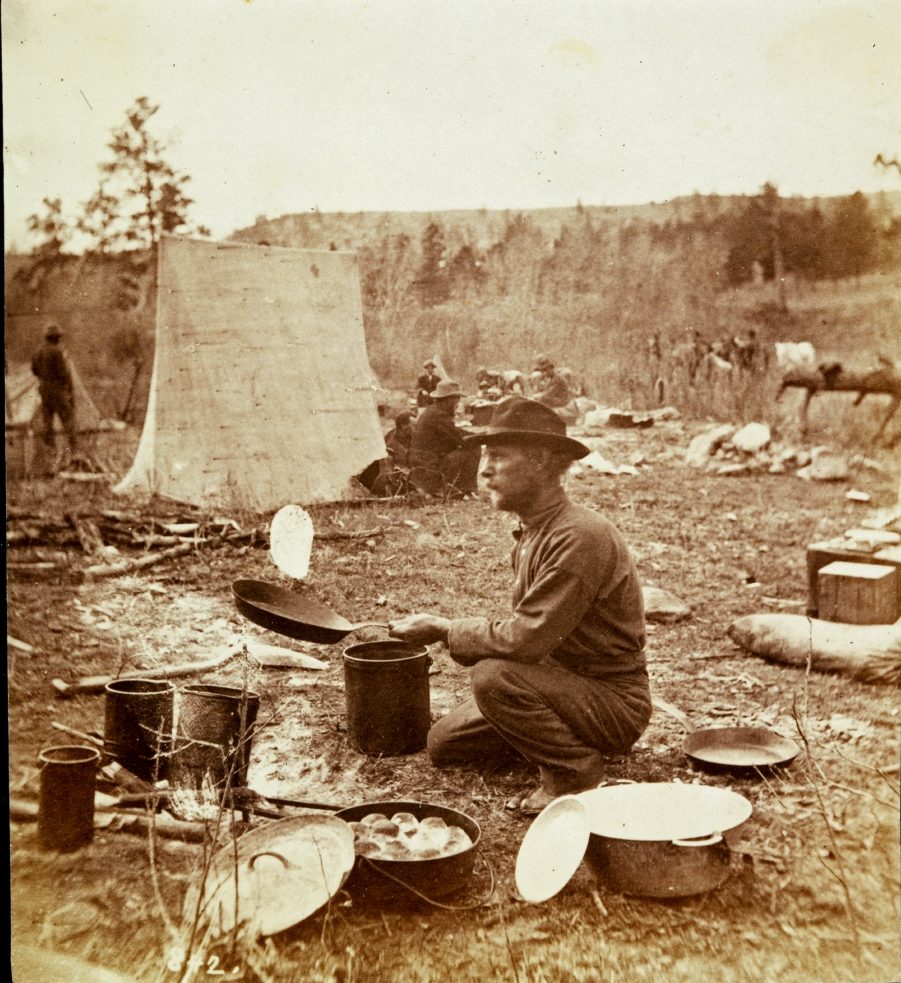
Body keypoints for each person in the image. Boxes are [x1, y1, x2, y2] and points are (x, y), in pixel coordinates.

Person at [389, 396, 651, 813]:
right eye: (483, 457)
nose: (485, 470)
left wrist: (444, 629)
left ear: (543, 462)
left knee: (493, 678)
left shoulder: (581, 536)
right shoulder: (535, 531)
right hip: (561, 686)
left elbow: (524, 642)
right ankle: (560, 739)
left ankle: (574, 774)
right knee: (443, 743)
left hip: (613, 702)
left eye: (498, 456)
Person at [408, 379, 480, 498]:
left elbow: (451, 437)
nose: (458, 403)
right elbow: (460, 438)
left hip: (423, 467)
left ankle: (455, 488)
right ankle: (465, 489)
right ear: (448, 400)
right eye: (456, 399)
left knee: (465, 446)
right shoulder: (438, 415)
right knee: (474, 447)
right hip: (428, 468)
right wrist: (482, 437)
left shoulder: (433, 411)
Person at [31, 323, 77, 463]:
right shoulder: (57, 352)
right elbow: (63, 373)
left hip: (44, 389)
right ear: (56, 338)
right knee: (68, 418)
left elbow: (34, 370)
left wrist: (44, 379)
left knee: (47, 420)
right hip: (57, 389)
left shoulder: (38, 351)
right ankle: (74, 450)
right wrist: (67, 388)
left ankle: (50, 451)